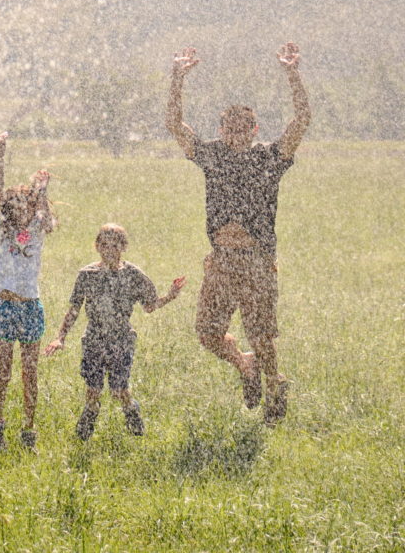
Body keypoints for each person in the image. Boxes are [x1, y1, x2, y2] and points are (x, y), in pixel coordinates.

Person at [166, 42, 311, 425]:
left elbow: (301, 122)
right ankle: (245, 366)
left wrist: (292, 74)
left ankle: (275, 387)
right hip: (222, 261)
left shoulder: (269, 157)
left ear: (254, 129)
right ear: (221, 129)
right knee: (208, 333)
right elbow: (175, 126)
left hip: (257, 261)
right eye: (229, 128)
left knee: (262, 336)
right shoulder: (212, 155)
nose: (235, 134)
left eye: (242, 128)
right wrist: (177, 78)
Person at [44, 224, 185, 440]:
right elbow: (74, 309)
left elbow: (150, 305)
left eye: (115, 245)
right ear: (97, 246)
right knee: (93, 390)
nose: (109, 250)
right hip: (93, 340)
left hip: (122, 340)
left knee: (119, 390)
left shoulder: (133, 274)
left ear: (124, 247)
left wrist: (171, 295)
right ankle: (85, 432)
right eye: (104, 245)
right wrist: (59, 337)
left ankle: (132, 412)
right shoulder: (87, 274)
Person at [0, 133, 57, 451]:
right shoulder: (0, 232)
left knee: (30, 372)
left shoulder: (38, 231)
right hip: (5, 306)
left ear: (32, 208)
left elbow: (48, 216)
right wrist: (0, 155)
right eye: (12, 204)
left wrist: (42, 191)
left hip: (31, 307)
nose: (18, 208)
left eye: (24, 203)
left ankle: (29, 430)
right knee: (3, 373)